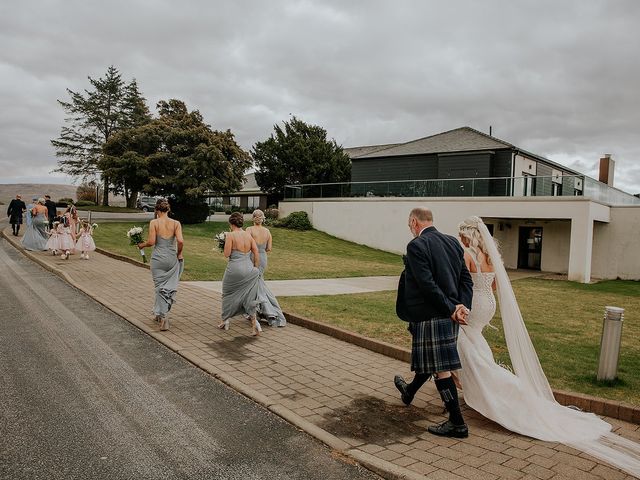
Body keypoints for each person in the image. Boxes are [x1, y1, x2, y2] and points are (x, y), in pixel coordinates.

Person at [453, 215, 640, 477]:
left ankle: (486, 383)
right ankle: (468, 377)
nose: (460, 239)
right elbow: (494, 284)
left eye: (462, 236)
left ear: (466, 236)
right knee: (473, 340)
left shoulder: (466, 254)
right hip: (488, 305)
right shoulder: (489, 253)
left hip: (473, 304)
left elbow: (459, 281)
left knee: (462, 340)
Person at [393, 207, 473, 438]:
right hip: (449, 315)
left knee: (441, 369)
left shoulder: (417, 245)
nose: (410, 228)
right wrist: (462, 307)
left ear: (414, 221)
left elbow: (427, 285)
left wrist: (451, 309)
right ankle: (408, 391)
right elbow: (465, 279)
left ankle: (457, 423)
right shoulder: (452, 242)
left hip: (432, 315)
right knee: (435, 362)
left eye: (410, 224)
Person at [219, 212, 286, 335]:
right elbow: (256, 251)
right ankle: (255, 324)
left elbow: (227, 254)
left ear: (231, 223)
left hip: (235, 268)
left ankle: (225, 320)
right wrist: (255, 268)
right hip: (250, 268)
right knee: (250, 296)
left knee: (227, 293)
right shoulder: (248, 235)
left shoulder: (231, 235)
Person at [137, 199, 184, 331]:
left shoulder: (154, 222)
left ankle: (164, 317)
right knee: (167, 287)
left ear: (157, 211)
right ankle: (158, 313)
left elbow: (151, 242)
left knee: (159, 287)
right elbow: (180, 241)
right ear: (168, 210)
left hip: (158, 259)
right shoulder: (176, 223)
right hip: (171, 258)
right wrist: (179, 254)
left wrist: (142, 245)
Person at [246, 209, 272, 273]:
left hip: (252, 256)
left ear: (253, 218)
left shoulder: (249, 229)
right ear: (262, 219)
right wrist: (261, 250)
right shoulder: (267, 231)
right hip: (263, 257)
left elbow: (246, 245)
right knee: (260, 276)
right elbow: (269, 248)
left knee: (251, 277)